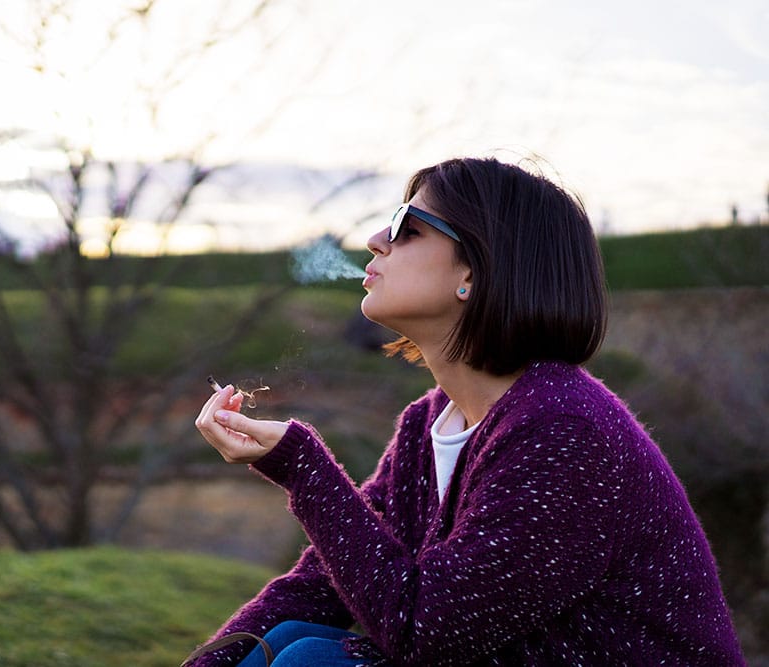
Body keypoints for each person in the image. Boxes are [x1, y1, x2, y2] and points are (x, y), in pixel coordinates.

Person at [190, 157, 745, 666]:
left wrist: (303, 465)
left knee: (312, 662)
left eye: (408, 226)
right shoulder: (427, 425)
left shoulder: (566, 432)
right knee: (283, 642)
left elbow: (427, 632)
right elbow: (324, 586)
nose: (376, 239)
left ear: (473, 274)